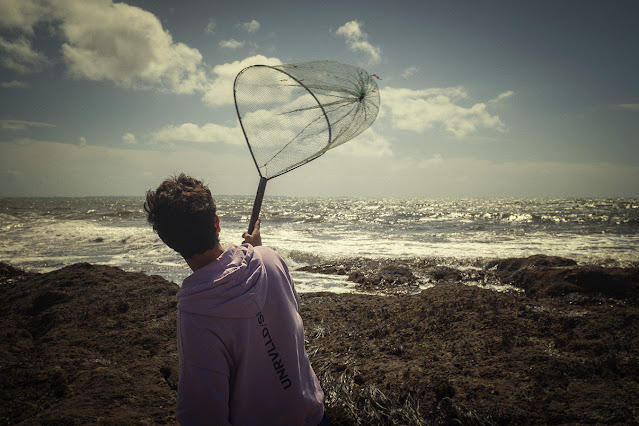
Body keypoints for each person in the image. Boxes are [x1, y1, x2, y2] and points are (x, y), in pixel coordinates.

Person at [144, 174, 327, 425]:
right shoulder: (270, 259)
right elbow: (285, 317)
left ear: (170, 243)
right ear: (216, 223)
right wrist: (259, 251)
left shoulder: (197, 313)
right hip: (314, 416)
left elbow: (203, 413)